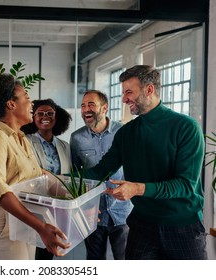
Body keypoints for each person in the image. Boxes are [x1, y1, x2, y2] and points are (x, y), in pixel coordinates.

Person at [84, 65, 207, 260]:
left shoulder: (186, 127)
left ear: (149, 90)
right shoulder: (126, 133)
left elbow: (185, 185)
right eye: (123, 93)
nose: (124, 99)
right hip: (142, 227)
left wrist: (137, 189)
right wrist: (55, 179)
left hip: (183, 228)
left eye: (129, 92)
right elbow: (101, 171)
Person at [0, 74, 70, 260]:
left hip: (23, 221)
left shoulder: (21, 138)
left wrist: (76, 198)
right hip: (3, 225)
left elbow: (39, 175)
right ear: (11, 104)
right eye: (27, 97)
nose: (32, 104)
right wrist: (41, 227)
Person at [70, 90, 133, 260]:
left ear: (105, 108)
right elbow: (77, 175)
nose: (86, 109)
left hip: (123, 210)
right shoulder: (76, 138)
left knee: (125, 260)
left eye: (91, 104)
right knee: (94, 260)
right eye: (83, 105)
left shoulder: (124, 131)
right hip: (93, 212)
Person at [21, 98, 72, 260]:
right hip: (35, 205)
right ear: (33, 117)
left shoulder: (65, 146)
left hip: (58, 206)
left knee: (48, 252)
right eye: (40, 113)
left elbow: (68, 177)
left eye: (50, 113)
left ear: (57, 117)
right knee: (31, 251)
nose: (45, 116)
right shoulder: (25, 141)